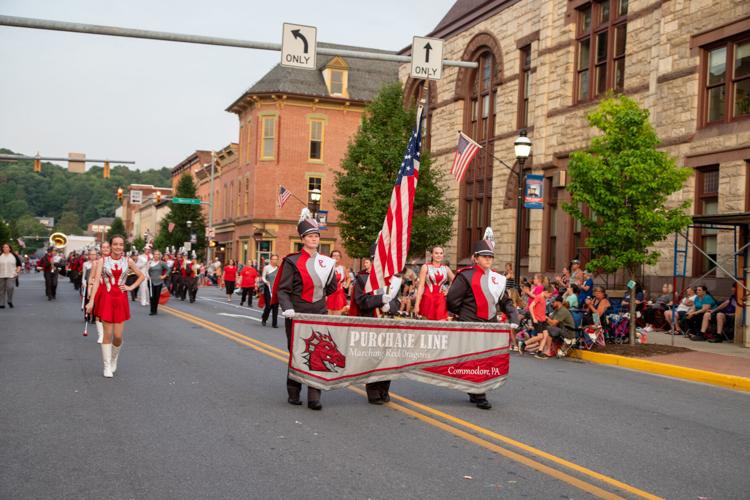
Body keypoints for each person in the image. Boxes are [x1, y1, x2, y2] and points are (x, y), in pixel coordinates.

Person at [446, 237, 519, 410]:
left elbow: (505, 302)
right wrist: (464, 314)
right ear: (476, 257)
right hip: (470, 323)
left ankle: (474, 390)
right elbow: (452, 300)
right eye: (484, 256)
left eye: (490, 256)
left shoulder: (497, 279)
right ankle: (479, 394)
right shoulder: (465, 275)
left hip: (490, 325)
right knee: (476, 359)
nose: (488, 259)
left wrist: (514, 317)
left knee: (486, 359)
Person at [274, 214, 337, 410]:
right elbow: (282, 289)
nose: (314, 239)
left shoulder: (327, 263)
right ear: (302, 239)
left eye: (316, 236)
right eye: (310, 236)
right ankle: (293, 391)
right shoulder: (292, 261)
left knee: (319, 352)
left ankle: (314, 397)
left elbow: (332, 287)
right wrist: (288, 307)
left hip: (318, 312)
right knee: (297, 352)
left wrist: (317, 297)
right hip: (297, 313)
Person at [85, 235, 145, 378]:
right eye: (115, 244)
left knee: (118, 336)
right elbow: (96, 282)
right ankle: (106, 366)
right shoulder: (102, 261)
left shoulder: (128, 260)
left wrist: (131, 287)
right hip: (106, 298)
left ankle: (114, 358)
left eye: (121, 244)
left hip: (120, 299)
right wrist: (91, 301)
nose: (118, 247)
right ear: (111, 246)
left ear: (123, 246)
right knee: (108, 334)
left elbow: (141, 276)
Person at [351, 244, 401, 404]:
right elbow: (361, 301)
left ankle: (384, 389)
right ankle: (373, 392)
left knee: (388, 358)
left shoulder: (393, 280)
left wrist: (390, 306)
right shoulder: (362, 278)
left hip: (388, 323)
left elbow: (398, 302)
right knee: (373, 359)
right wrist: (380, 300)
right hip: (370, 322)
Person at [415, 246, 454, 320]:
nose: (439, 255)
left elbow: (457, 281)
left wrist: (449, 290)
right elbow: (421, 287)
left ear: (443, 255)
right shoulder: (425, 267)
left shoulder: (446, 268)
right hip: (427, 299)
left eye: (441, 253)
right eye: (436, 253)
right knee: (427, 326)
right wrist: (417, 304)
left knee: (442, 325)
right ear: (432, 255)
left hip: (441, 299)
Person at [325, 250, 349, 315]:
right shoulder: (327, 268)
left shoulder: (343, 268)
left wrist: (346, 285)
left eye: (338, 255)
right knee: (328, 314)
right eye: (334, 255)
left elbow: (348, 278)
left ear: (340, 257)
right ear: (331, 257)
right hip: (329, 293)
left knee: (338, 314)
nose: (336, 257)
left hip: (339, 293)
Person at [0, 243, 21, 309]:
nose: (5, 248)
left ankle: (9, 300)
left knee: (10, 287)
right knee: (1, 290)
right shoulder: (0, 255)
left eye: (7, 247)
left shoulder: (14, 255)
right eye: (4, 247)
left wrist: (17, 271)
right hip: (1, 275)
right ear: (2, 248)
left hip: (11, 274)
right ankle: (2, 303)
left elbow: (19, 265)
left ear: (9, 248)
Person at [148, 250, 169, 315]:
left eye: (157, 254)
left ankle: (155, 310)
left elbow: (168, 269)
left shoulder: (162, 263)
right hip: (151, 282)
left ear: (159, 256)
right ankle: (152, 311)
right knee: (151, 297)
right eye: (155, 254)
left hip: (159, 282)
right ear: (153, 255)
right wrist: (148, 276)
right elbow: (146, 271)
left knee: (156, 297)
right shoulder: (150, 262)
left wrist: (164, 276)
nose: (156, 255)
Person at [261, 254, 280, 327]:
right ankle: (264, 319)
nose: (275, 261)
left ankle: (274, 323)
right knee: (269, 305)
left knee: (275, 306)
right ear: (271, 260)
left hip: (276, 289)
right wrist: (266, 281)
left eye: (276, 259)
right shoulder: (266, 268)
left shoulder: (279, 268)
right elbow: (263, 277)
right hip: (268, 288)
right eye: (273, 259)